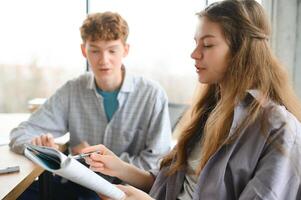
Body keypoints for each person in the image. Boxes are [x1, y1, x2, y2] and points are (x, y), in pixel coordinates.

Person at [81, 1, 301, 199]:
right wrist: (119, 168)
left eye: (207, 45)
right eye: (196, 43)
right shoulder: (210, 112)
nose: (194, 54)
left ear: (241, 50)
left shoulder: (279, 129)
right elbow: (172, 183)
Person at [9, 12, 171, 199]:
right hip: (78, 186)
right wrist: (38, 147)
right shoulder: (72, 89)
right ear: (84, 50)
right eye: (95, 50)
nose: (103, 60)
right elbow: (20, 133)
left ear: (125, 50)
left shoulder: (152, 94)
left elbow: (156, 163)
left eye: (112, 50)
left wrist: (94, 160)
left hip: (127, 192)